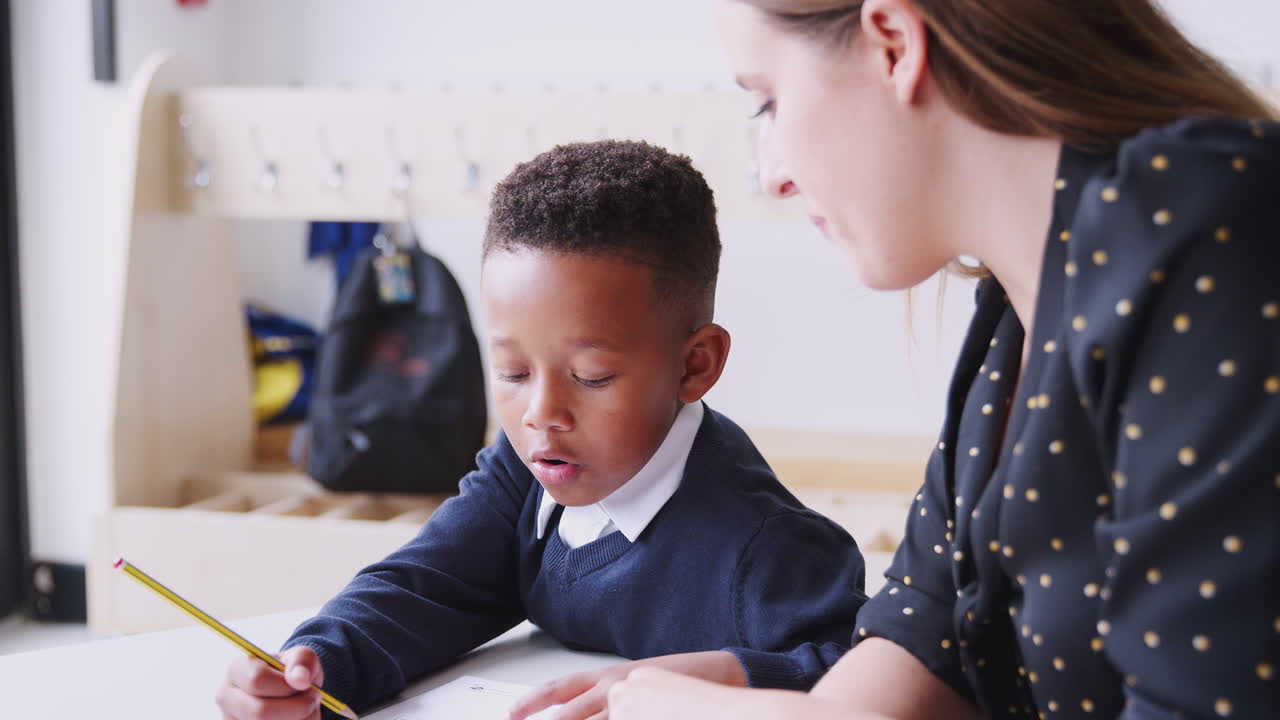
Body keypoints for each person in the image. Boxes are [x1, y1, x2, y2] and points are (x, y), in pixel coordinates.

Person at [600, 1, 1280, 718]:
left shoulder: (1217, 230)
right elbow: (925, 639)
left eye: (768, 101)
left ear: (894, 44)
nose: (772, 176)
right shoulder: (1016, 308)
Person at [214, 139, 869, 720]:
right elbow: (422, 586)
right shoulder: (523, 473)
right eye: (512, 371)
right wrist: (313, 664)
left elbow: (870, 675)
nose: (540, 414)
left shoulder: (765, 547)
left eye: (590, 377)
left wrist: (719, 682)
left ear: (694, 365)